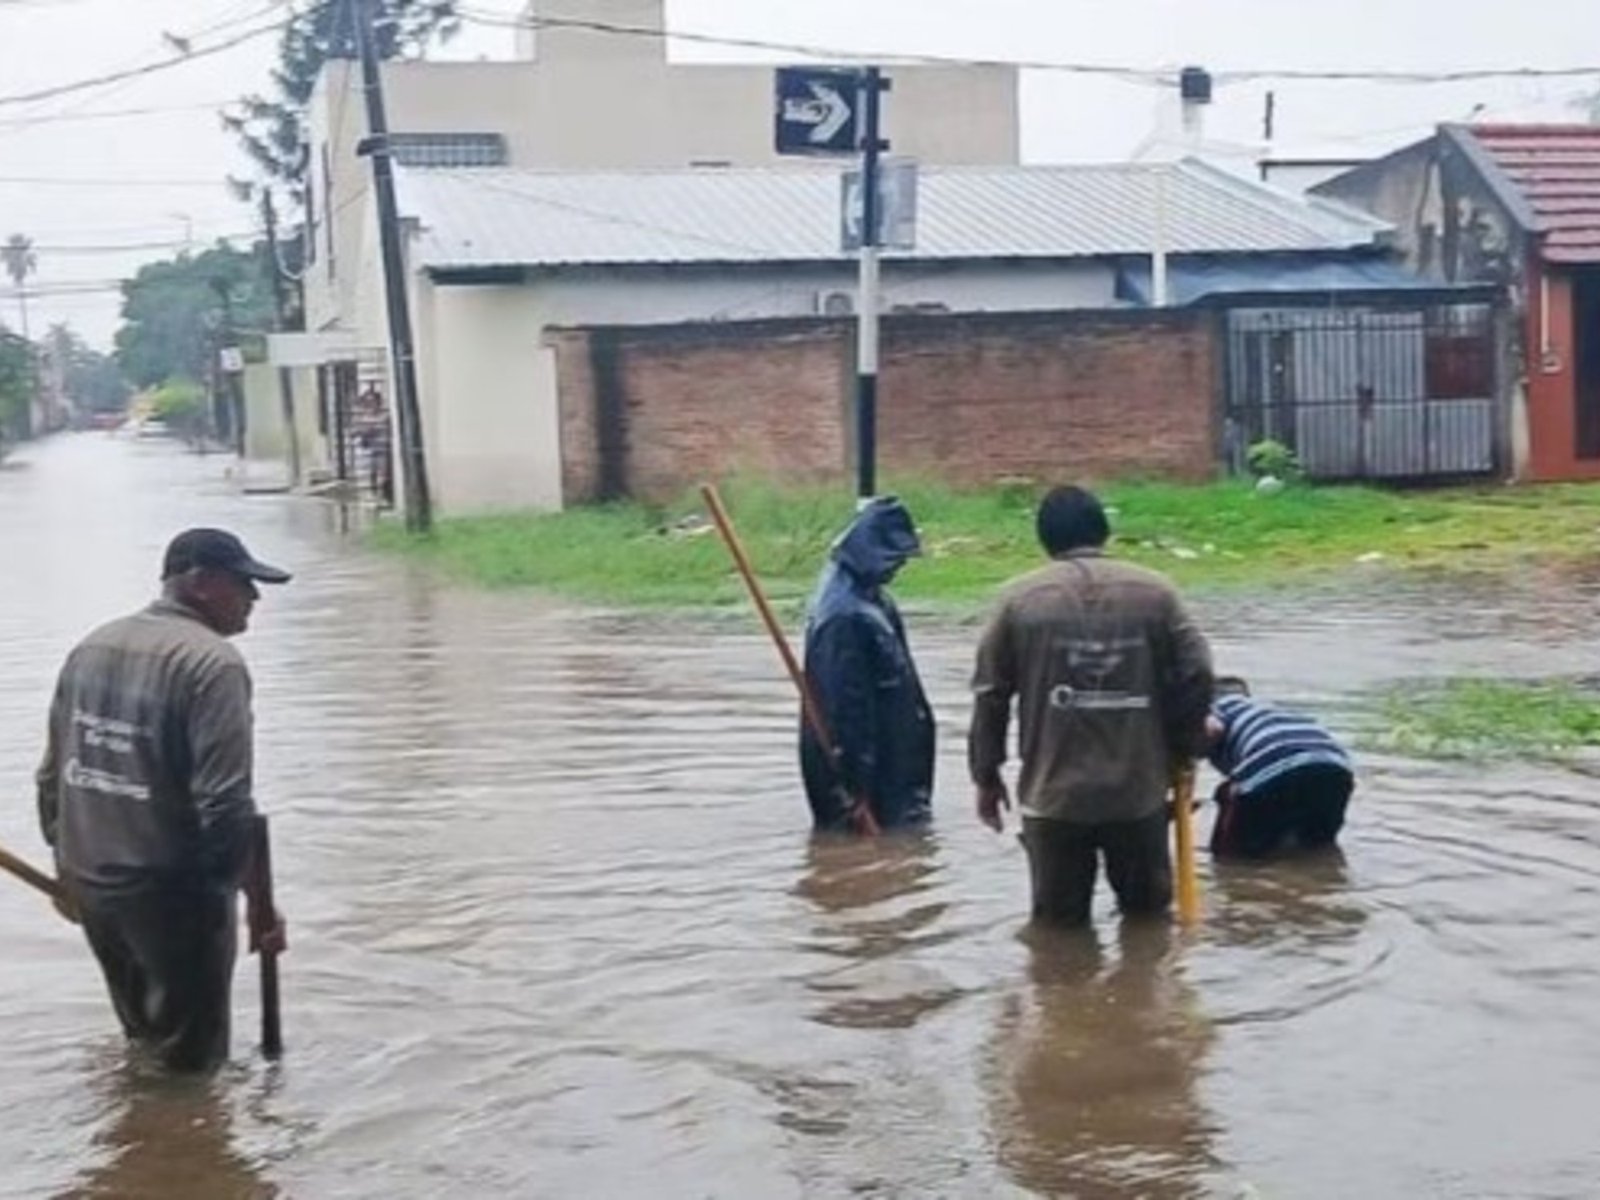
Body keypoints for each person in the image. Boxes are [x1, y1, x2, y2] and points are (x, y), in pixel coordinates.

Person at [36, 528, 290, 1072]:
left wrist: (66, 868)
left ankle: (146, 1144)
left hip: (94, 882)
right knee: (192, 1068)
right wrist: (242, 902)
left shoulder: (94, 644)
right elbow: (224, 803)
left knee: (145, 1040)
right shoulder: (213, 664)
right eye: (243, 584)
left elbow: (52, 777)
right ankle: (185, 1151)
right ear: (199, 583)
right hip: (172, 896)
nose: (254, 599)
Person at [969, 486, 1213, 927]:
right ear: (1104, 530)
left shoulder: (1017, 600)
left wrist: (986, 775)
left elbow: (990, 694)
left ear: (1045, 540)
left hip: (1054, 796)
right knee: (1149, 926)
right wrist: (1182, 748)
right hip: (1138, 793)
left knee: (1058, 934)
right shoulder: (1157, 594)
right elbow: (1198, 672)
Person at [800, 496, 935, 834]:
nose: (900, 566)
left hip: (894, 767)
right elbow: (845, 711)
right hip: (871, 781)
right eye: (896, 557)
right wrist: (856, 790)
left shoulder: (870, 597)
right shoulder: (843, 615)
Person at [1206, 679, 1354, 859]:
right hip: (1334, 766)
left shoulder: (1215, 706)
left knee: (1234, 857)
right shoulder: (1267, 708)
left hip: (1276, 764)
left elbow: (1213, 728)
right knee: (1317, 850)